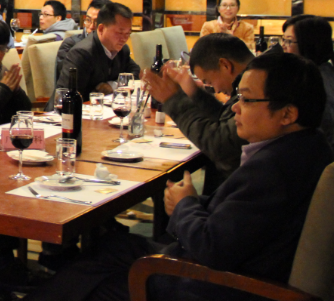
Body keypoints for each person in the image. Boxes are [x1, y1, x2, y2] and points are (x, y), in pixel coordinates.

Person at [24, 52, 333, 301]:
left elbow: (211, 248)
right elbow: (240, 219)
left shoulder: (273, 170)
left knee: (89, 284)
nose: (236, 108)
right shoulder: (311, 147)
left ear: (287, 114)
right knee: (109, 247)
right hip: (231, 264)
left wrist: (185, 205)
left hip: (216, 286)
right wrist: (192, 203)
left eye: (247, 100)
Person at [142, 33, 252, 192]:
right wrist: (195, 93)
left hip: (241, 191)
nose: (216, 90)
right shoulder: (254, 80)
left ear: (225, 65)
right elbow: (225, 120)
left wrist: (173, 101)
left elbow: (220, 145)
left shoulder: (257, 89)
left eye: (209, 81)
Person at [53, 1, 140, 103]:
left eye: (127, 33)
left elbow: (135, 73)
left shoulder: (122, 50)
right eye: (120, 33)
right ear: (101, 29)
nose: (124, 39)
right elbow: (68, 97)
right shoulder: (82, 53)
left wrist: (113, 85)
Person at [282, 15, 334, 148]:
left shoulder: (319, 79)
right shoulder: (307, 72)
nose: (283, 46)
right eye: (283, 40)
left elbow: (327, 129)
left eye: (289, 41)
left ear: (309, 44)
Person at [57, 0, 111, 80]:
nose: (91, 26)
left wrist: (111, 84)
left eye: (97, 22)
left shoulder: (114, 45)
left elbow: (130, 72)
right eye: (88, 20)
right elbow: (72, 79)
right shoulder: (71, 45)